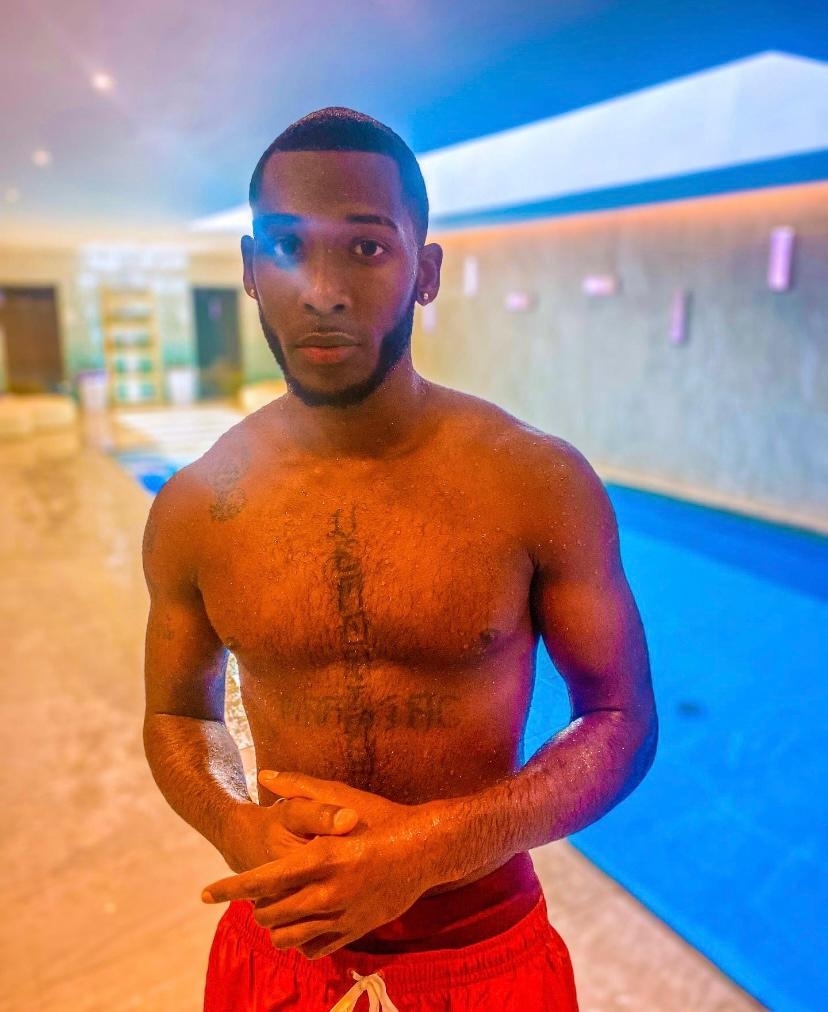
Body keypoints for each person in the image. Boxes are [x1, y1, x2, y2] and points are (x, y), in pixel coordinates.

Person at [142, 107, 657, 1012]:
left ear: (425, 272)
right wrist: (236, 825)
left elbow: (620, 718)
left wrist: (436, 848)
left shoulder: (536, 483)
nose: (322, 290)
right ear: (251, 271)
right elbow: (176, 715)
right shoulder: (195, 505)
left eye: (367, 248)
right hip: (278, 953)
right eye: (287, 246)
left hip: (485, 955)